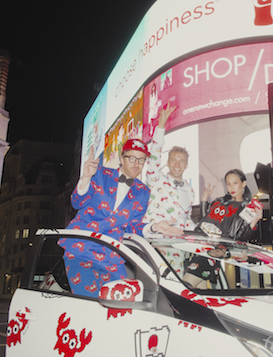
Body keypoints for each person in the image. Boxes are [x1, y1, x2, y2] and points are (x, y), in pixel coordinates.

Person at [60, 139, 151, 297]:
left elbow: (132, 226)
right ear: (121, 159)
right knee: (89, 302)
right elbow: (76, 202)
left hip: (112, 256)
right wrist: (86, 178)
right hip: (81, 249)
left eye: (141, 159)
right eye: (132, 158)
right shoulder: (100, 173)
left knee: (121, 304)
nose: (137, 163)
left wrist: (153, 228)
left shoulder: (143, 191)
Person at [143, 103, 192, 235]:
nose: (177, 164)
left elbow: (186, 219)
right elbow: (154, 155)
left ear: (186, 165)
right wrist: (161, 126)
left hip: (178, 247)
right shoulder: (155, 179)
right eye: (173, 160)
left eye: (181, 161)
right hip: (155, 243)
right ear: (168, 163)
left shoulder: (189, 190)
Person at [198, 169, 262, 241]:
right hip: (208, 246)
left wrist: (253, 223)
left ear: (243, 184)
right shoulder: (218, 202)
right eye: (228, 184)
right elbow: (204, 224)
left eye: (235, 183)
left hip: (227, 249)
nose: (231, 187)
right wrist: (204, 200)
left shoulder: (247, 209)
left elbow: (241, 239)